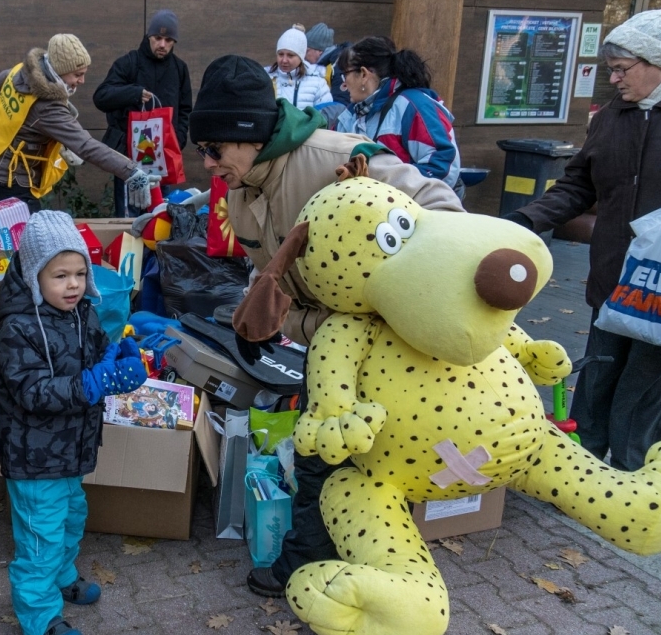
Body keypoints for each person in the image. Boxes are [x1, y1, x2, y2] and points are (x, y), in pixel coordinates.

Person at [188, 54, 464, 599]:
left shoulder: (337, 158)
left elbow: (441, 212)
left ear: (248, 135)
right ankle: (321, 565)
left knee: (363, 467)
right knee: (323, 456)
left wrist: (395, 301)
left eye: (213, 150)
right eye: (202, 151)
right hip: (325, 347)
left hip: (383, 348)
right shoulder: (244, 185)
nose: (206, 164)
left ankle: (362, 583)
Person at [503, 9, 661, 472]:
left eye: (621, 68)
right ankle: (579, 474)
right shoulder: (613, 117)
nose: (612, 78)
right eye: (611, 68)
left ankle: (632, 485)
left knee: (643, 393)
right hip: (613, 276)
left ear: (658, 62)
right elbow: (578, 187)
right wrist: (523, 220)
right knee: (594, 383)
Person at [0, 210, 147, 635]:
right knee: (39, 537)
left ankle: (62, 576)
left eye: (80, 273)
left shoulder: (81, 313)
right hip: (34, 456)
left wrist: (120, 354)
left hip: (72, 450)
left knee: (71, 516)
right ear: (33, 273)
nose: (73, 284)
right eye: (60, 275)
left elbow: (99, 351)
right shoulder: (17, 330)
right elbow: (33, 392)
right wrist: (96, 382)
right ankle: (40, 620)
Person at [0, 34, 156, 215]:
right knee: (26, 241)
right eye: (77, 74)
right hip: (10, 178)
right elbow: (86, 146)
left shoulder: (22, 72)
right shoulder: (47, 107)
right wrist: (131, 172)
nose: (82, 80)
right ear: (59, 70)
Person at [93, 9, 193, 217]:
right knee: (128, 217)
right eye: (158, 38)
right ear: (149, 37)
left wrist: (178, 139)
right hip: (128, 158)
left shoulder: (179, 69)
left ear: (174, 42)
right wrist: (134, 93)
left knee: (160, 215)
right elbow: (101, 97)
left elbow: (185, 109)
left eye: (168, 39)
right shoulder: (129, 62)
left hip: (162, 158)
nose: (162, 44)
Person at [335, 36, 463, 194]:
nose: (343, 84)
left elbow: (444, 166)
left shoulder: (413, 106)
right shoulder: (350, 114)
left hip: (407, 213)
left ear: (363, 74)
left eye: (345, 75)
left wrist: (385, 189)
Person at [266, 24, 332, 112]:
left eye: (290, 55)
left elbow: (324, 118)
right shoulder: (266, 79)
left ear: (301, 57)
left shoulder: (318, 84)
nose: (284, 60)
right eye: (280, 54)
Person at [303, 22, 351, 106]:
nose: (303, 55)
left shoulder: (339, 66)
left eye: (307, 51)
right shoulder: (329, 63)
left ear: (320, 51)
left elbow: (341, 104)